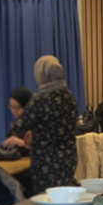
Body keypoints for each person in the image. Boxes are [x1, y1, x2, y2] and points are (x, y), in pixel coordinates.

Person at [13, 56, 77, 194]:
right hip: (68, 157)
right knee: (64, 196)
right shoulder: (69, 97)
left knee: (47, 199)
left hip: (45, 160)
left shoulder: (40, 100)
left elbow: (19, 126)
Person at [0, 86, 33, 152]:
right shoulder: (15, 125)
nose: (14, 111)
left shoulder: (37, 124)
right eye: (11, 107)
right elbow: (10, 147)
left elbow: (42, 149)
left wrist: (21, 142)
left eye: (17, 107)